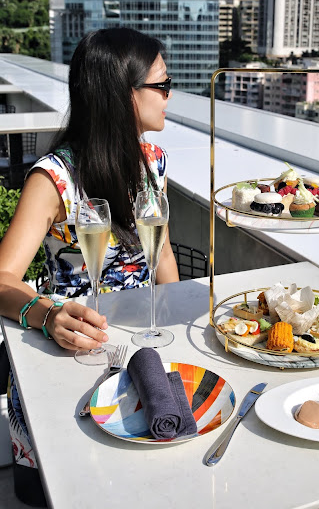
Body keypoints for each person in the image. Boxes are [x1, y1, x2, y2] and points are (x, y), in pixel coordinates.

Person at [0, 28, 179, 504]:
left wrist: (171, 324)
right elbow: (1, 278)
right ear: (124, 95)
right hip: (68, 351)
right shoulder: (55, 178)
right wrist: (47, 315)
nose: (170, 95)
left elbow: (161, 252)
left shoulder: (154, 161)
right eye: (162, 85)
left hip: (135, 356)